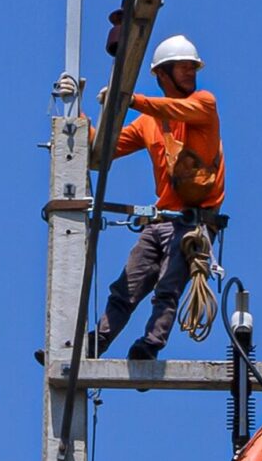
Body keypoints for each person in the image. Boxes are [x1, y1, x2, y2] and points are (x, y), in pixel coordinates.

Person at [88, 34, 224, 361]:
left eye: (193, 67)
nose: (191, 73)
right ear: (163, 74)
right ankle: (95, 344)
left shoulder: (203, 104)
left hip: (191, 224)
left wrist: (128, 100)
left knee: (167, 289)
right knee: (125, 289)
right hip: (162, 220)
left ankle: (150, 345)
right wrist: (75, 118)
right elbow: (104, 150)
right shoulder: (149, 122)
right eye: (183, 67)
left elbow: (176, 108)